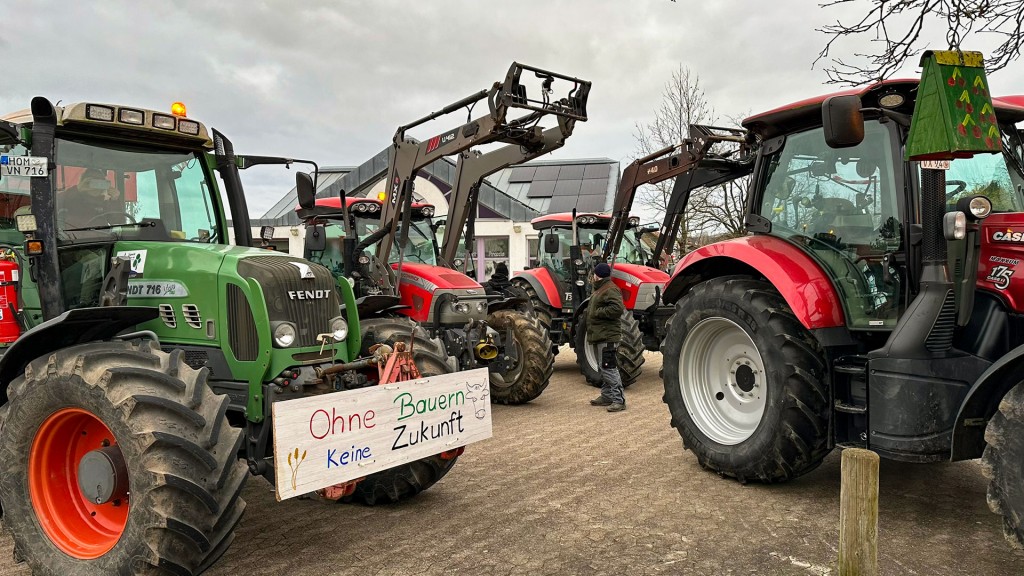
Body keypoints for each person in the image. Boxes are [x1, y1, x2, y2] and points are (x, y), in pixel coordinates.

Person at [587, 262, 626, 412]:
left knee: (609, 368)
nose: (593, 276)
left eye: (594, 274)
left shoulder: (610, 289)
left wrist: (597, 312)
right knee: (603, 368)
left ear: (598, 275)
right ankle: (606, 396)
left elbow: (617, 308)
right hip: (600, 335)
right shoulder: (600, 289)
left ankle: (618, 400)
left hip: (608, 336)